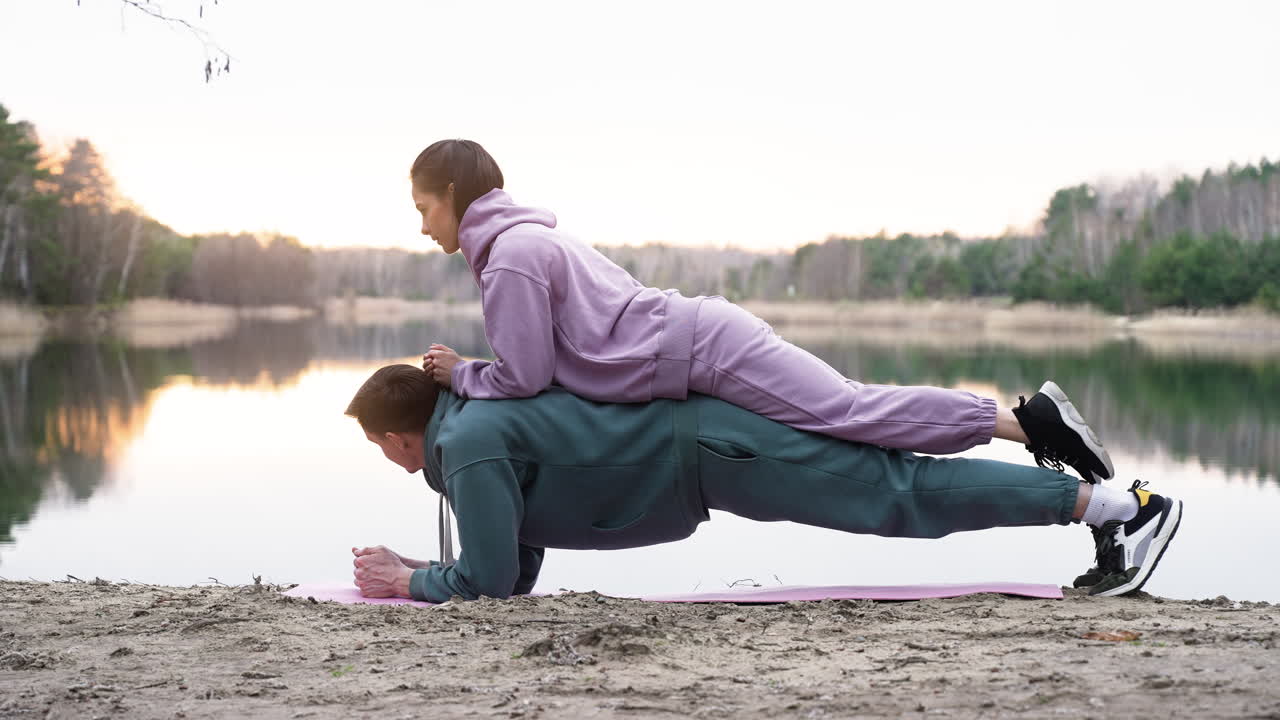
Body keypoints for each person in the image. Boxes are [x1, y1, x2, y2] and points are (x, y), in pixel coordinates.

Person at [410, 139, 1115, 485]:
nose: (421, 226)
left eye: (423, 208)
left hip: (702, 349)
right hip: (698, 343)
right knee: (849, 410)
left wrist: (461, 372)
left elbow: (525, 376)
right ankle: (1023, 426)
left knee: (849, 412)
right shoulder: (526, 240)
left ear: (450, 191)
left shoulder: (509, 255)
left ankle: (1026, 425)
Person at [344, 365, 1182, 604]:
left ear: (393, 437)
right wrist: (435, 575)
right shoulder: (473, 431)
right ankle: (1096, 499)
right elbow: (513, 569)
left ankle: (1122, 508)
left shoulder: (472, 445)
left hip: (714, 451)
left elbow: (487, 578)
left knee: (897, 493)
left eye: (376, 444)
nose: (382, 455)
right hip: (709, 448)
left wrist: (409, 581)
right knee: (890, 474)